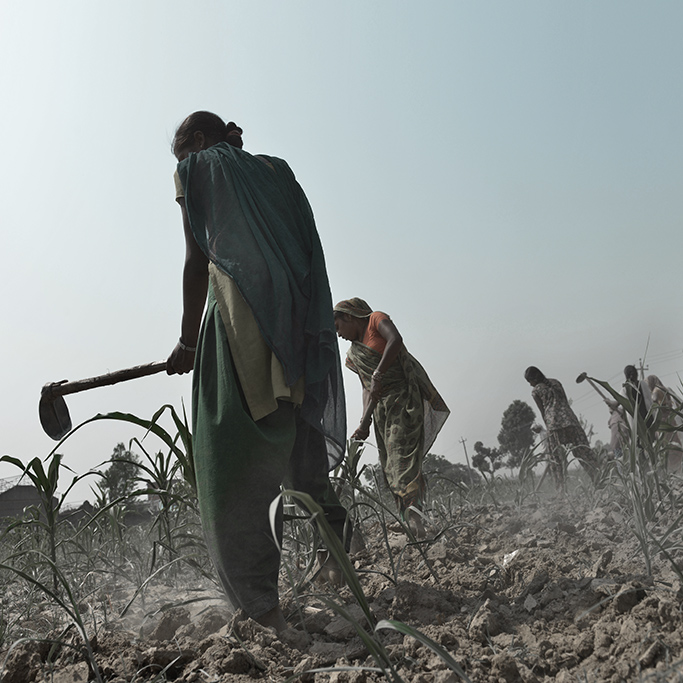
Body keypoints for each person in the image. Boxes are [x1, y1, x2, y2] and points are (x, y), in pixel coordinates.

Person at [166, 111, 350, 633]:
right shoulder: (276, 172)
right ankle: (339, 562)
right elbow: (309, 254)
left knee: (230, 460)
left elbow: (195, 259)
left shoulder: (197, 166)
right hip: (293, 324)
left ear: (197, 142)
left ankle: (261, 609)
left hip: (241, 317)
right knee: (296, 446)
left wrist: (186, 340)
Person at [333, 298, 450, 536]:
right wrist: (363, 423)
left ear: (349, 316)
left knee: (401, 457)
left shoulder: (376, 319)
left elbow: (395, 340)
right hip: (382, 410)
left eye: (337, 327)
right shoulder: (353, 355)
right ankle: (411, 519)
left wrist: (379, 373)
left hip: (404, 400)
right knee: (389, 464)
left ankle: (415, 518)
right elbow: (367, 389)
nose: (339, 334)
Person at [524, 366, 598, 488]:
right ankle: (598, 480)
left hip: (554, 424)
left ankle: (561, 492)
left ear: (534, 379)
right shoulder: (556, 382)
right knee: (584, 452)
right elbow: (564, 401)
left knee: (556, 460)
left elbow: (543, 412)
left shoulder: (535, 391)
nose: (530, 385)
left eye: (530, 381)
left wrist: (548, 427)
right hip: (571, 420)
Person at [646, 374, 683, 472]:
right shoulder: (666, 389)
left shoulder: (656, 391)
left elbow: (655, 404)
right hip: (671, 420)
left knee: (667, 445)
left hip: (662, 421)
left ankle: (672, 470)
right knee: (674, 443)